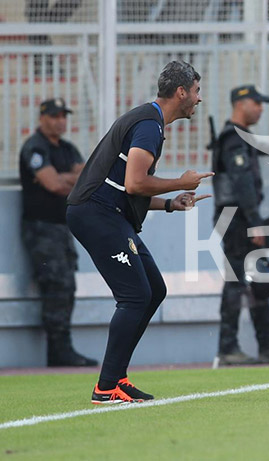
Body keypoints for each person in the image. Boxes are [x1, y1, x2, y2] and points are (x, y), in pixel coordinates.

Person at [67, 61, 212, 404]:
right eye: (196, 91)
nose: (198, 99)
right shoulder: (149, 124)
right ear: (181, 92)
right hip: (96, 214)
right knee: (134, 296)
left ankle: (117, 377)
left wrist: (171, 204)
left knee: (154, 290)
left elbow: (125, 187)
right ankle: (105, 387)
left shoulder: (148, 120)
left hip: (109, 213)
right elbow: (135, 183)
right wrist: (181, 180)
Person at [212, 85, 269, 366]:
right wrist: (255, 222)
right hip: (236, 218)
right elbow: (242, 184)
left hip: (242, 218)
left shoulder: (242, 138)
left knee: (258, 281)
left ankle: (267, 343)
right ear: (241, 104)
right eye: (257, 103)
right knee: (236, 283)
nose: (261, 109)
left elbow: (268, 150)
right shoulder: (233, 139)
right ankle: (228, 348)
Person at [19, 98, 97, 367]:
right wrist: (69, 179)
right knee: (55, 285)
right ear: (42, 118)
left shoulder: (67, 148)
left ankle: (62, 349)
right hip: (41, 228)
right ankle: (58, 350)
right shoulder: (35, 147)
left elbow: (89, 177)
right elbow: (53, 185)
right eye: (54, 116)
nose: (60, 121)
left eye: (63, 115)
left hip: (62, 227)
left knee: (67, 285)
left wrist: (66, 177)